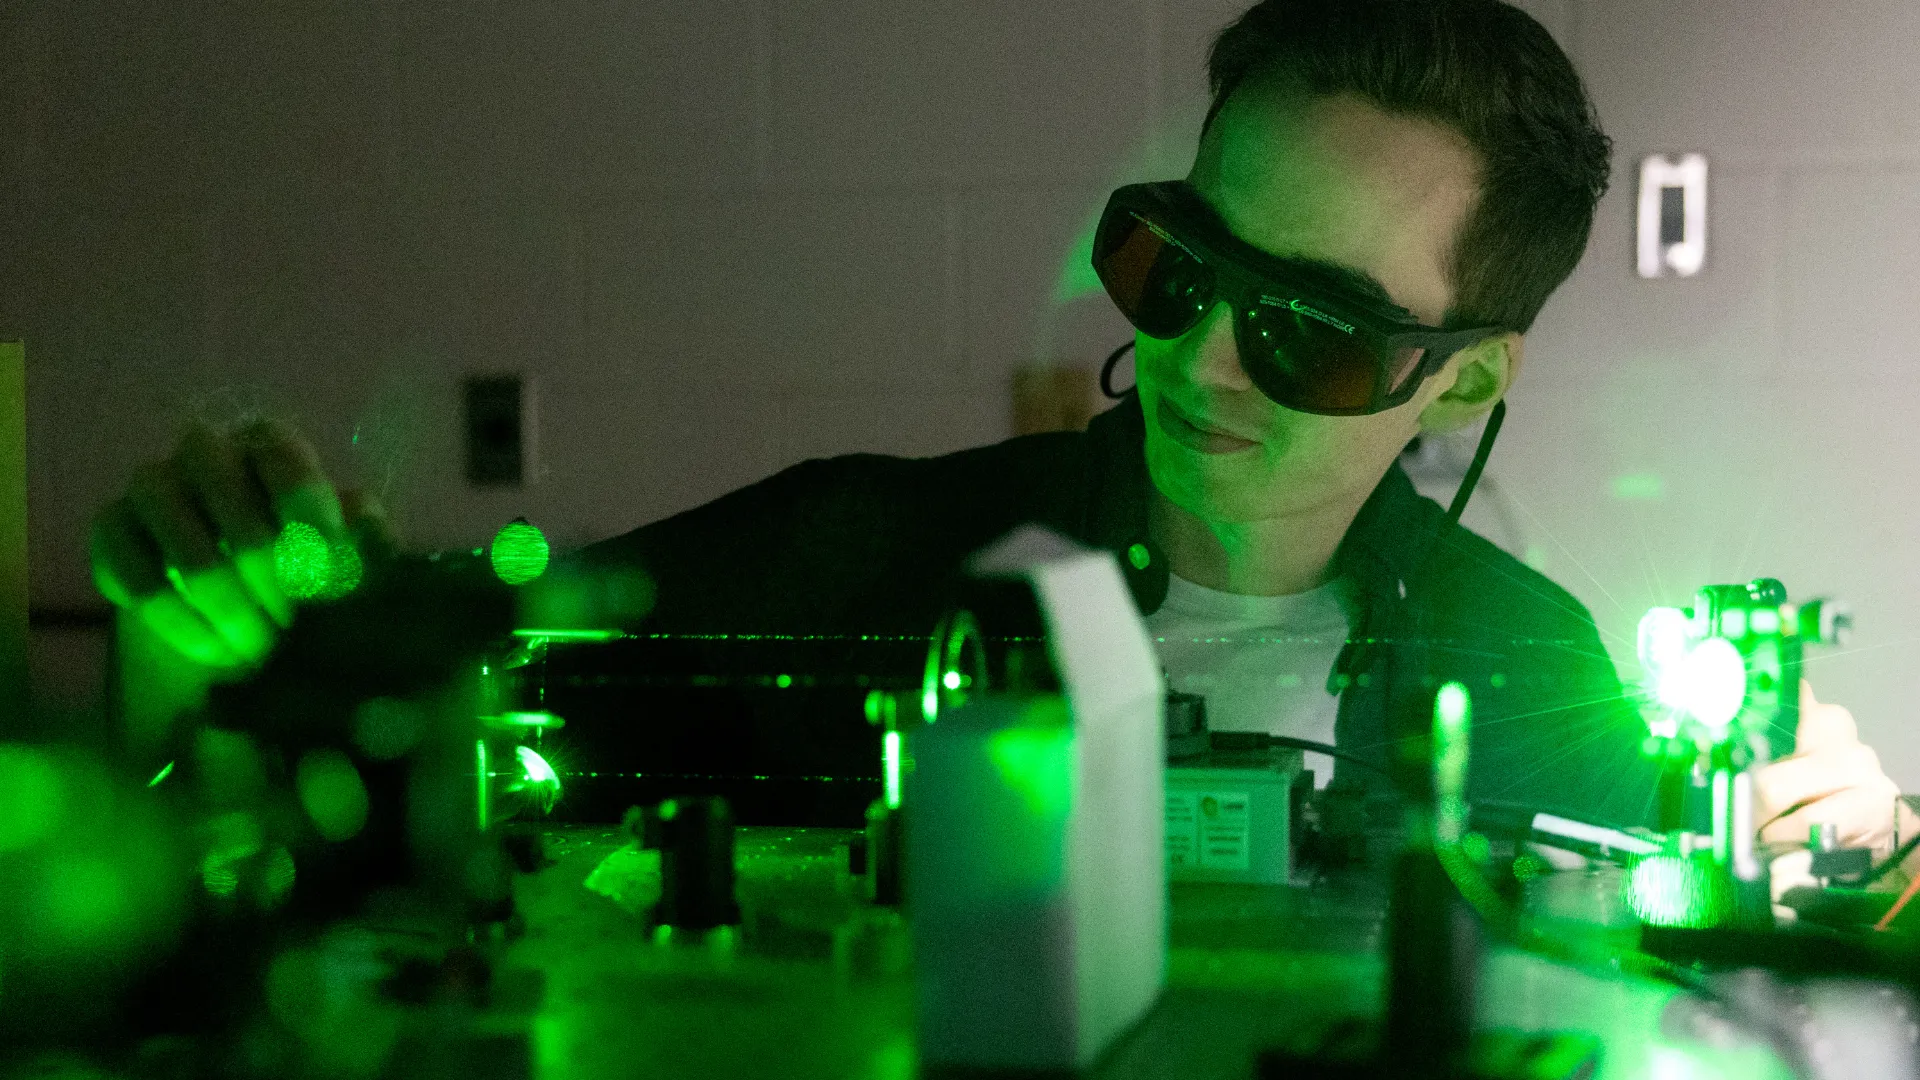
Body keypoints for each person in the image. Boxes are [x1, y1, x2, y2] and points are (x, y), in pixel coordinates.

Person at [90, 0, 1908, 853]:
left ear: (1474, 373)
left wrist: (1863, 874)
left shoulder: (1546, 687)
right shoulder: (852, 554)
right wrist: (258, 619)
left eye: (1316, 338)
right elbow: (424, 705)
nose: (1199, 362)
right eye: (1175, 268)